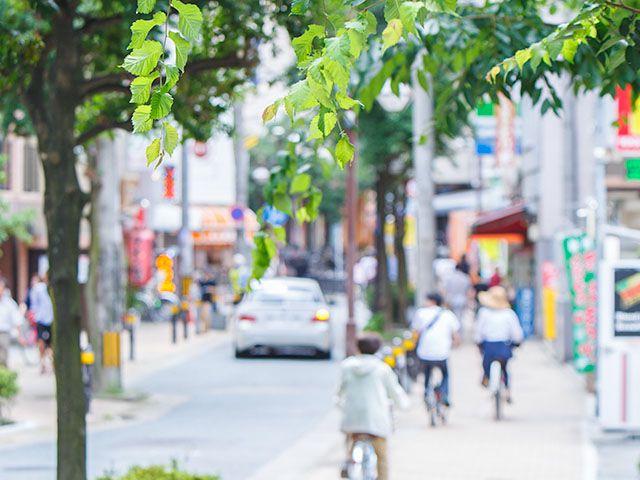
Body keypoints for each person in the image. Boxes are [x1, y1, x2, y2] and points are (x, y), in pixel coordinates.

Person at [337, 334, 409, 480]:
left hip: (352, 419)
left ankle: (348, 463)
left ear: (358, 348)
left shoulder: (347, 366)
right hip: (376, 420)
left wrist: (341, 404)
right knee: (382, 458)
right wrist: (405, 404)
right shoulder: (382, 369)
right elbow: (396, 392)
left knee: (350, 443)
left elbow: (339, 393)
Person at [474, 286, 524, 400]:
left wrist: (478, 342)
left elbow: (478, 332)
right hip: (504, 346)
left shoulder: (484, 313)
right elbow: (517, 333)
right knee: (505, 367)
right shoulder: (509, 314)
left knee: (485, 363)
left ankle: (486, 378)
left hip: (488, 346)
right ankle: (507, 389)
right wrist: (518, 342)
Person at [412, 293, 460, 406]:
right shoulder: (448, 315)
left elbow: (415, 333)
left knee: (427, 373)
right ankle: (445, 395)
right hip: (442, 353)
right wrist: (454, 345)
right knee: (445, 374)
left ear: (432, 301)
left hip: (424, 353)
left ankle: (426, 394)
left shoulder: (420, 313)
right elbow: (456, 337)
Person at [30, 274, 54, 373]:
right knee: (41, 343)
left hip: (51, 319)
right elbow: (34, 304)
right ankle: (43, 363)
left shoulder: (54, 288)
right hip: (41, 319)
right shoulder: (39, 289)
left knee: (51, 344)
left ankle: (51, 364)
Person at [0, 277, 22, 367]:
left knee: (3, 357)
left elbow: (17, 319)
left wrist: (19, 334)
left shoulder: (9, 303)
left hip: (4, 332)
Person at [442, 262, 472, 329]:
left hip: (451, 299)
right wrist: (469, 301)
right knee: (460, 318)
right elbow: (469, 291)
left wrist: (445, 299)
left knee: (451, 317)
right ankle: (458, 334)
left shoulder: (450, 278)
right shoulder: (465, 277)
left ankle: (453, 333)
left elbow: (444, 290)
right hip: (462, 300)